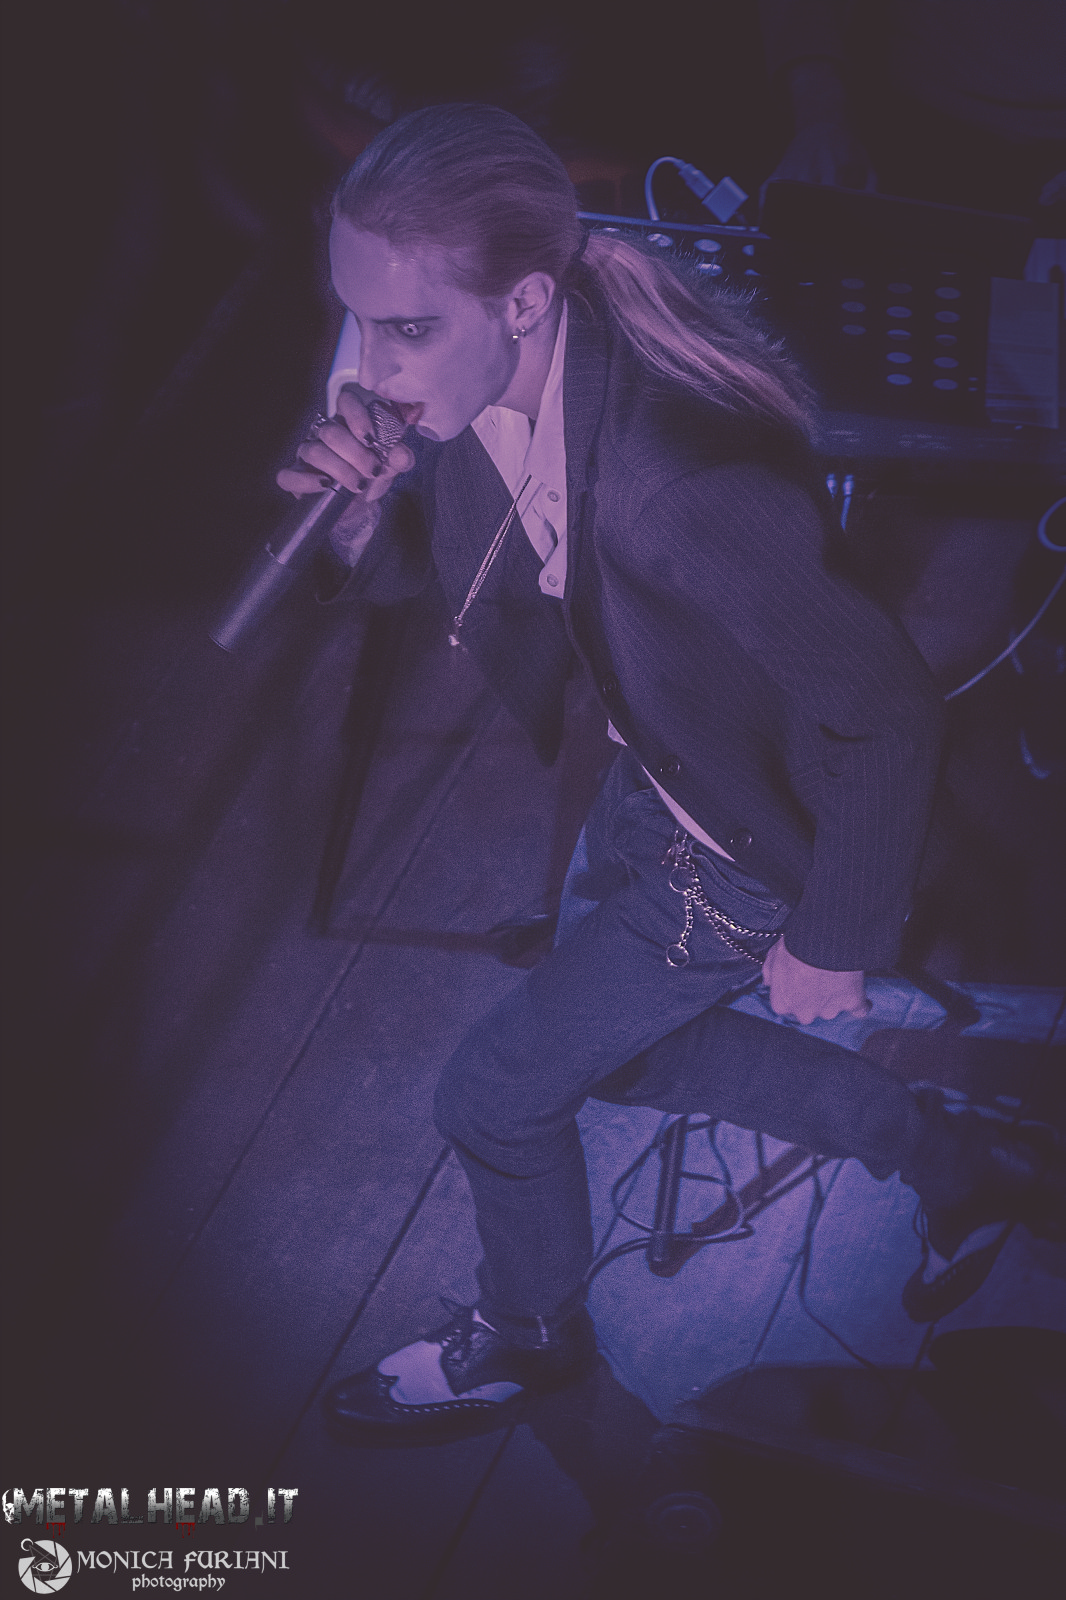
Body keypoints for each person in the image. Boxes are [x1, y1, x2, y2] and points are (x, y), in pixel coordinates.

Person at [276, 103, 1064, 1445]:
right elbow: (456, 563)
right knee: (630, 1056)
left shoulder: (676, 488)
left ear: (523, 301)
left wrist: (833, 935)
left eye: (405, 327)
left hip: (739, 850)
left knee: (492, 1096)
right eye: (356, 322)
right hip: (657, 776)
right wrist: (358, 519)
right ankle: (958, 1161)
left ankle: (528, 1337)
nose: (369, 367)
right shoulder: (499, 383)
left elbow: (885, 711)